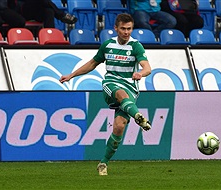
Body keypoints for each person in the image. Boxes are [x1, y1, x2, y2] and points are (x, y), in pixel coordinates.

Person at [59, 13, 152, 176]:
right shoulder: (107, 45)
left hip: (131, 86)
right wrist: (71, 75)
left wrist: (140, 74)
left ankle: (103, 163)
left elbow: (147, 67)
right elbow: (93, 63)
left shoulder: (136, 46)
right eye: (123, 28)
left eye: (129, 29)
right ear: (116, 28)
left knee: (119, 127)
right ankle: (138, 116)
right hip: (111, 84)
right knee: (120, 94)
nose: (126, 32)